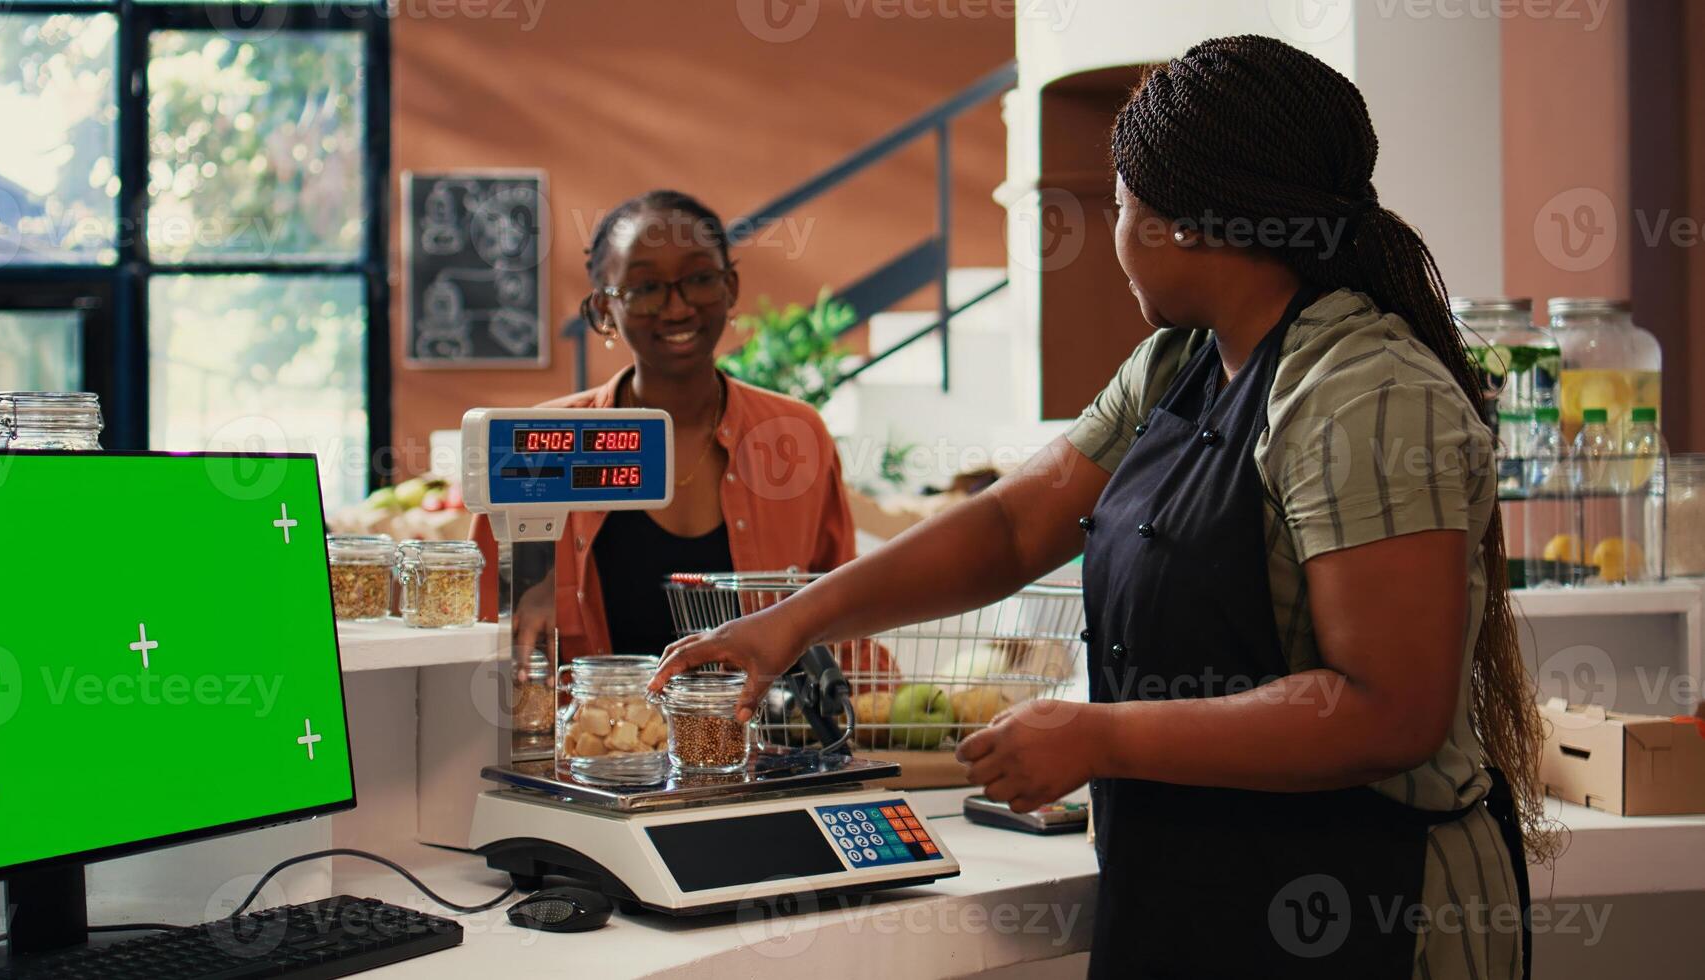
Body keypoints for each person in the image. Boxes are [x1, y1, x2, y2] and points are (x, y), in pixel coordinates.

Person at [653, 37, 1545, 980]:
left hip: (1374, 905)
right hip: (1191, 892)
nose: (1112, 240)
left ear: (1191, 225)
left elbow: (1388, 712)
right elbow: (1009, 527)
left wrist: (1100, 734)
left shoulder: (1365, 394)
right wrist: (791, 622)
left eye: (1120, 209)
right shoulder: (1179, 365)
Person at [473, 189, 858, 661]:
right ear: (602, 311)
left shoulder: (794, 436)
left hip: (762, 731)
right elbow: (478, 621)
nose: (677, 308)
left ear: (730, 288)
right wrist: (526, 595)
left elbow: (845, 613)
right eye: (645, 288)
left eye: (699, 278)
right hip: (594, 731)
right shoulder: (535, 443)